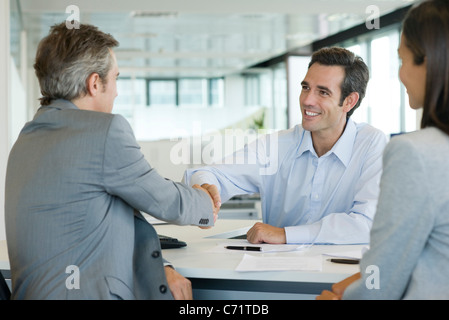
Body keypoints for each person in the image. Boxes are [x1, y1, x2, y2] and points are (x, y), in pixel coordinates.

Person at [5, 22, 220, 300]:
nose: (117, 91)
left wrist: (162, 266)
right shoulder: (104, 131)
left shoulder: (26, 139)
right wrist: (205, 201)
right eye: (115, 78)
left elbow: (104, 209)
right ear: (94, 83)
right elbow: (165, 200)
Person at [184, 47, 387, 245]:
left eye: (323, 92)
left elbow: (367, 224)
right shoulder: (277, 146)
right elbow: (209, 173)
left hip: (341, 275)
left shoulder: (371, 145)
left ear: (349, 101)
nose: (307, 100)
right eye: (306, 87)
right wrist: (206, 189)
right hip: (276, 274)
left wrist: (285, 235)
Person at [317, 0, 449, 300]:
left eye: (402, 61)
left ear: (428, 62)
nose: (400, 75)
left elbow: (382, 286)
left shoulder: (414, 153)